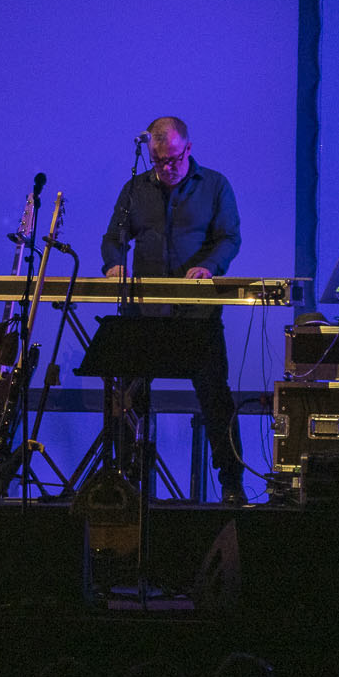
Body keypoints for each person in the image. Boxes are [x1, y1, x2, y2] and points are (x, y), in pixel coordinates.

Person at [98, 115, 247, 506]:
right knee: (129, 398)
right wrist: (114, 262)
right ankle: (129, 484)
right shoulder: (135, 189)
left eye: (174, 160)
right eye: (158, 161)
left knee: (216, 399)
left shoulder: (215, 186)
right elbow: (114, 237)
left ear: (189, 149)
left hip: (196, 317)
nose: (166, 168)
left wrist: (211, 266)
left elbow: (229, 237)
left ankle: (232, 484)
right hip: (145, 317)